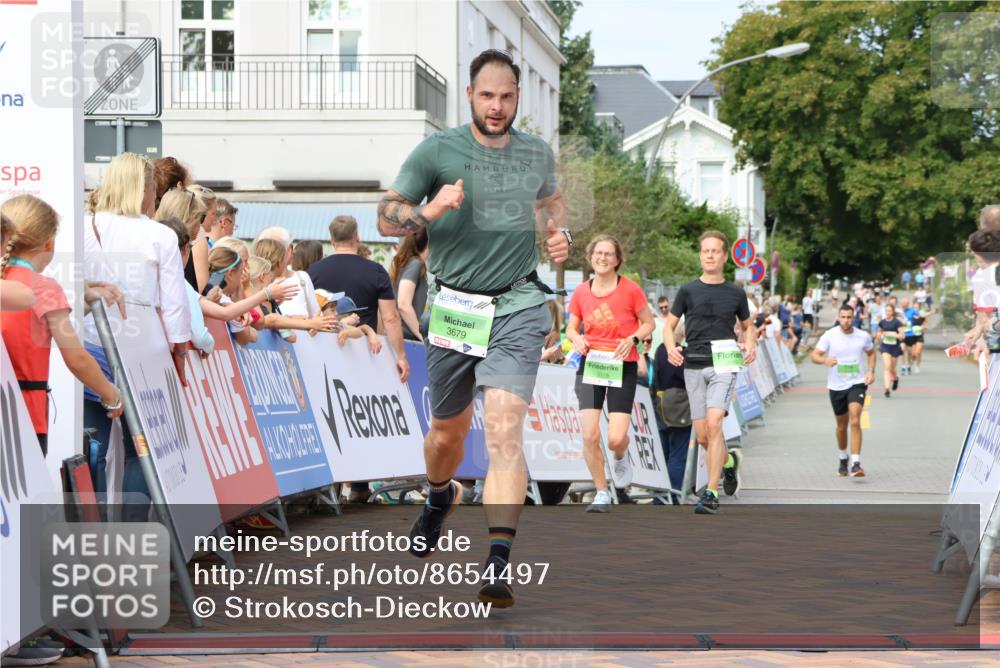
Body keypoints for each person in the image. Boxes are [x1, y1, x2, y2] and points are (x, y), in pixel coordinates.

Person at [375, 48, 570, 607]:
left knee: (506, 429)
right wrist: (430, 212)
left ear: (518, 98)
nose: (498, 106)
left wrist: (560, 238)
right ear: (469, 95)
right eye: (488, 95)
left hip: (517, 306)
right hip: (456, 309)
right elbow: (385, 217)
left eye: (508, 96)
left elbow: (552, 205)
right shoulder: (438, 150)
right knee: (446, 437)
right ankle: (441, 496)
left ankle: (498, 564)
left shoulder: (536, 152)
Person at [84, 152, 191, 521]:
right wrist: (179, 354)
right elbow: (176, 311)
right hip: (141, 355)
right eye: (153, 188)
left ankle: (92, 543)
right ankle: (128, 540)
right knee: (140, 452)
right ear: (144, 189)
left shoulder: (84, 227)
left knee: (90, 449)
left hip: (89, 347)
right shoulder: (160, 235)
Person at [1, 194, 125, 458]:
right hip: (24, 417)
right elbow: (77, 357)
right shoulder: (43, 287)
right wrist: (110, 393)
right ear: (49, 242)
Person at [309, 215, 410, 503]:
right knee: (359, 419)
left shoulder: (313, 271)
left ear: (331, 239)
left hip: (324, 353)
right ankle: (360, 486)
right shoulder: (376, 270)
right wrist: (401, 356)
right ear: (357, 237)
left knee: (331, 416)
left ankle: (332, 487)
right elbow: (390, 317)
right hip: (365, 352)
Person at [662, 230, 756, 515]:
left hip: (724, 363)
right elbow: (669, 326)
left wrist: (749, 345)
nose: (710, 255)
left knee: (715, 424)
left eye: (715, 251)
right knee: (703, 436)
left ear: (724, 256)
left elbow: (748, 325)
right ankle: (729, 463)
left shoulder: (736, 293)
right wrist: (670, 347)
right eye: (705, 251)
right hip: (694, 365)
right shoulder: (688, 291)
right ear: (701, 255)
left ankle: (711, 493)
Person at [564, 235, 654, 512]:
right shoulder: (581, 291)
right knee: (589, 435)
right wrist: (576, 339)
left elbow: (648, 323)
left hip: (621, 363)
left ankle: (620, 454)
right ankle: (602, 491)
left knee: (615, 437)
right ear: (591, 257)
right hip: (591, 365)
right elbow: (571, 327)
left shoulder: (630, 290)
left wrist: (633, 340)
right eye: (598, 253)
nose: (602, 258)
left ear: (617, 260)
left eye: (608, 254)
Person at [811, 302, 876, 477]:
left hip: (857, 383)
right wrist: (824, 361)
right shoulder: (829, 335)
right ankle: (842, 457)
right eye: (843, 317)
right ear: (838, 317)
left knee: (855, 420)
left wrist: (870, 371)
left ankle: (856, 463)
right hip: (836, 385)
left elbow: (871, 353)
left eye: (849, 317)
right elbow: (814, 355)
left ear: (853, 318)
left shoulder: (862, 336)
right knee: (841, 426)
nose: (846, 321)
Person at [654, 327, 691, 504]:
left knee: (663, 453)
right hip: (680, 407)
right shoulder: (681, 352)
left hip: (660, 405)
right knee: (678, 453)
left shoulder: (660, 349)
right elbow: (686, 377)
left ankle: (660, 495)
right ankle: (673, 495)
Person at [257, 226, 323, 319]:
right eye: (290, 247)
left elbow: (316, 314)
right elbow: (264, 320)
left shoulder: (302, 277)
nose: (294, 251)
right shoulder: (255, 281)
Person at [155, 186, 211, 292]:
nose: (201, 224)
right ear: (189, 219)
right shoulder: (182, 253)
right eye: (201, 218)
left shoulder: (155, 245)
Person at [388, 227, 429, 342]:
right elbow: (403, 304)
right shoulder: (416, 263)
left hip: (400, 337)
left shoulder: (406, 263)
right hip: (408, 338)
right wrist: (421, 336)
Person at [876, 303, 905, 398]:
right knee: (887, 367)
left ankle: (895, 378)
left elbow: (902, 336)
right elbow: (879, 332)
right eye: (886, 311)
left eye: (889, 311)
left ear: (893, 312)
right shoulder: (882, 322)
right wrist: (879, 336)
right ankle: (887, 388)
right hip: (885, 346)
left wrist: (891, 334)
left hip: (895, 347)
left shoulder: (897, 322)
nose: (887, 312)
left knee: (892, 369)